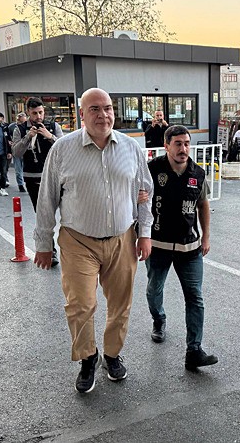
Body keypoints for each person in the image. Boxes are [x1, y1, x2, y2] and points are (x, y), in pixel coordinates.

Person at [32, 87, 153, 394]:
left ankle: (112, 355)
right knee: (80, 305)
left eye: (108, 108)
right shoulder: (62, 149)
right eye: (95, 109)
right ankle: (88, 358)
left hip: (122, 239)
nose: (104, 115)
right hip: (78, 241)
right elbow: (46, 199)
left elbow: (145, 194)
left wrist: (145, 234)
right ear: (82, 114)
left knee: (121, 305)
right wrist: (44, 243)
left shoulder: (131, 148)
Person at [145, 125, 218, 371]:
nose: (183, 148)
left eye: (186, 143)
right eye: (177, 143)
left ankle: (194, 351)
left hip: (190, 247)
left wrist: (206, 237)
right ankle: (159, 319)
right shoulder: (152, 169)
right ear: (166, 146)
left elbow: (203, 205)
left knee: (195, 298)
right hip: (158, 246)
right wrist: (139, 235)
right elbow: (139, 202)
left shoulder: (198, 173)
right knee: (154, 290)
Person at [12, 97, 64, 267]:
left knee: (67, 212)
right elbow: (16, 152)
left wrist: (50, 137)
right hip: (33, 178)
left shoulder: (53, 126)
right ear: (28, 113)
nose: (39, 116)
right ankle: (51, 250)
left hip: (56, 177)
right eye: (34, 113)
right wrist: (29, 136)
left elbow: (64, 149)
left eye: (41, 112)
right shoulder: (19, 129)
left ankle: (70, 248)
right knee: (43, 215)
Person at [7, 112, 27, 192]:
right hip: (16, 150)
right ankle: (20, 184)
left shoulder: (27, 126)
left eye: (23, 122)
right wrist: (9, 142)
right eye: (19, 121)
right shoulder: (11, 127)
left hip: (26, 150)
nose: (21, 123)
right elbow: (7, 136)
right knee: (18, 169)